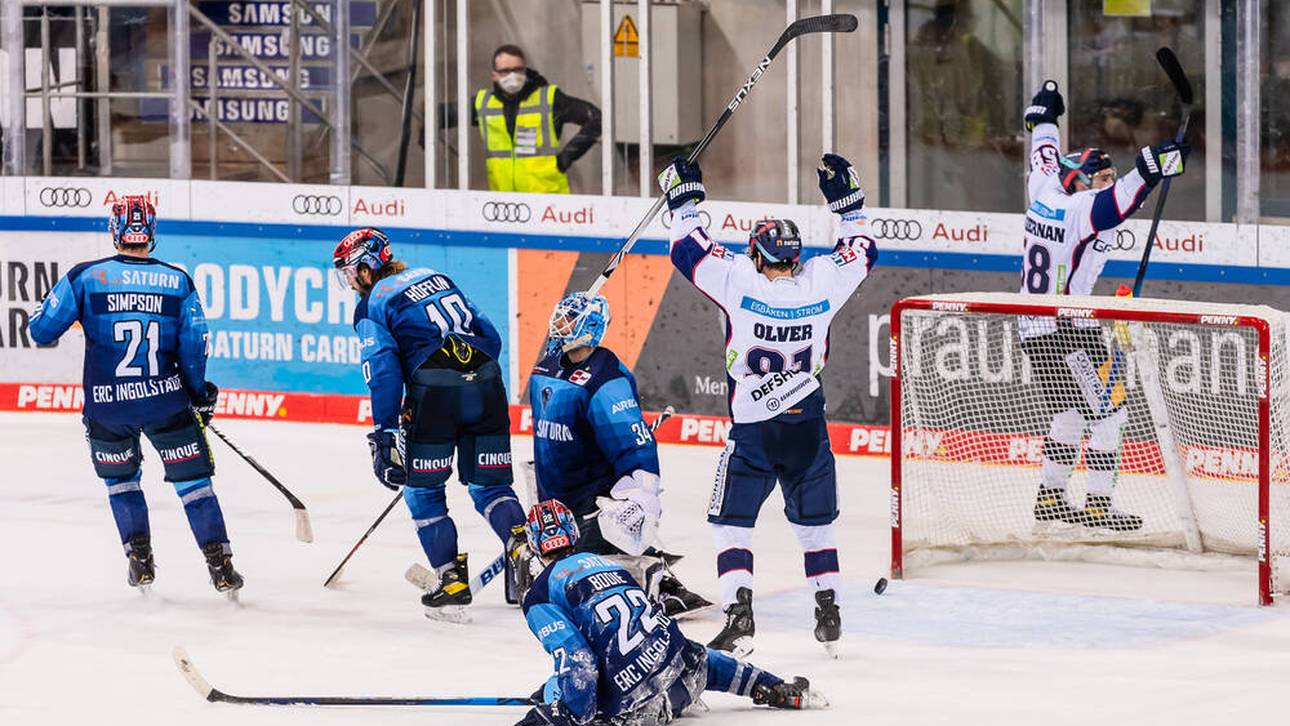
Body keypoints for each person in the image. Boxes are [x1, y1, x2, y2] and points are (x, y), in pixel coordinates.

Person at [658, 153, 877, 657]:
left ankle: (740, 616)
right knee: (815, 524)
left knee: (731, 523)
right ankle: (829, 609)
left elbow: (686, 250)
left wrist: (686, 196)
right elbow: (862, 248)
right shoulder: (823, 280)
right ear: (794, 258)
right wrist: (848, 203)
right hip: (808, 424)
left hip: (754, 429)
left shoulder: (740, 279)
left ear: (757, 255)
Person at [28, 196, 241, 596]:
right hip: (166, 402)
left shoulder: (85, 277)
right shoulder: (178, 281)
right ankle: (221, 566)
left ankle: (139, 559)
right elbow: (195, 345)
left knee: (121, 483)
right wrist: (199, 394)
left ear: (115, 230)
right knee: (195, 485)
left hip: (107, 408)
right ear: (151, 233)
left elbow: (40, 332)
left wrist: (47, 311)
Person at [1018, 81, 1190, 532]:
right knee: (1112, 413)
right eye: (1100, 178)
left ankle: (1051, 499)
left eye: (1110, 178)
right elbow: (1117, 204)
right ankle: (1097, 504)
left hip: (1035, 329)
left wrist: (1045, 118)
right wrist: (1149, 170)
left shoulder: (1044, 191)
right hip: (1066, 331)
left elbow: (1044, 154)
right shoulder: (1081, 209)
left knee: (1071, 415)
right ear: (1078, 183)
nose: (1106, 185)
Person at [335, 227, 527, 618]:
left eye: (351, 271)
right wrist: (464, 369)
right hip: (487, 386)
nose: (351, 281)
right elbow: (490, 338)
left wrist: (386, 428)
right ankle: (526, 554)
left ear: (370, 266)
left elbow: (382, 369)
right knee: (491, 486)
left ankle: (450, 580)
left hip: (434, 398)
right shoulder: (436, 278)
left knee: (421, 491)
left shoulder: (371, 304)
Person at [517, 499, 827, 726]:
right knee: (695, 654)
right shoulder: (610, 564)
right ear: (573, 532)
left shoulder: (541, 593)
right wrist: (554, 688)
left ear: (533, 544)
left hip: (639, 711)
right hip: (684, 677)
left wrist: (563, 714)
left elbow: (579, 660)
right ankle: (774, 687)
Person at [527, 291, 711, 617]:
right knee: (547, 585)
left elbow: (634, 445)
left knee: (578, 595)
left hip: (590, 503)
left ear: (590, 327)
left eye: (568, 319)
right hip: (555, 501)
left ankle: (655, 576)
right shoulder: (547, 364)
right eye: (560, 316)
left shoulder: (607, 380)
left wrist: (641, 497)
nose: (559, 324)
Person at [430, 44, 601, 194]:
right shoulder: (483, 104)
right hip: (505, 206)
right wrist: (425, 127)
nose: (512, 76)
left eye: (518, 70)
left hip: (548, 203)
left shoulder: (548, 99)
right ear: (494, 75)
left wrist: (567, 157)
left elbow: (595, 118)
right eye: (505, 71)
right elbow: (442, 114)